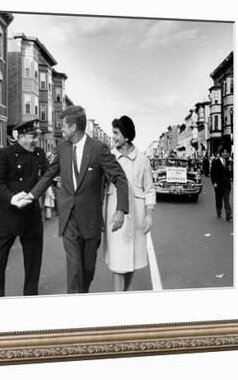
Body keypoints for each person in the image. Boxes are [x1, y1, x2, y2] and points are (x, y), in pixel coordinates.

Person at [23, 106, 129, 294]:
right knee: (74, 268)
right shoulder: (63, 147)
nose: (61, 129)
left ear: (73, 127)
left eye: (63, 126)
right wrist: (31, 196)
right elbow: (49, 174)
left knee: (87, 269)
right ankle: (74, 308)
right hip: (68, 217)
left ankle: (83, 295)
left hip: (90, 220)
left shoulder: (98, 149)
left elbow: (119, 178)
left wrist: (121, 209)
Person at [0, 119, 48, 297]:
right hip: (8, 215)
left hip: (31, 215)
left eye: (36, 136)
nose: (36, 140)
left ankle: (30, 296)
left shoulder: (39, 153)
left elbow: (47, 177)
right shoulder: (5, 153)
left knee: (33, 262)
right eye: (32, 136)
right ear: (20, 137)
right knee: (0, 261)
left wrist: (33, 195)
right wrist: (12, 198)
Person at [103, 116, 156, 291]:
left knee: (132, 261)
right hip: (115, 214)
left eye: (116, 133)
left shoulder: (142, 160)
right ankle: (119, 299)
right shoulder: (109, 158)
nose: (113, 137)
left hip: (138, 216)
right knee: (118, 261)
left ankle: (123, 294)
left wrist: (149, 214)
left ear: (126, 136)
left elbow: (149, 190)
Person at [211, 146, 233, 221]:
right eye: (224, 152)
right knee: (219, 199)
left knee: (226, 200)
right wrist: (214, 183)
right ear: (221, 153)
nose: (226, 153)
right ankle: (219, 213)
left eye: (226, 152)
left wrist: (230, 179)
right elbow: (212, 174)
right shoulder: (215, 161)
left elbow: (229, 172)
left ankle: (228, 214)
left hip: (226, 185)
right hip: (218, 185)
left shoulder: (228, 161)